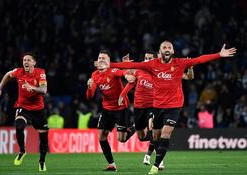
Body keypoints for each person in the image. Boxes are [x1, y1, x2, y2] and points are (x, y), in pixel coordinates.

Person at [99, 41, 236, 174]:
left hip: (172, 106)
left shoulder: (180, 63)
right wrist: (109, 65)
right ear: (160, 52)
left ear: (173, 51)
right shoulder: (152, 65)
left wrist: (219, 54)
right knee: (153, 136)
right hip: (157, 106)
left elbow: (199, 60)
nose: (166, 49)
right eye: (164, 47)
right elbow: (133, 64)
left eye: (169, 47)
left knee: (165, 133)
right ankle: (147, 145)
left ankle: (156, 165)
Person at [118, 51, 194, 168]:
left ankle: (159, 160)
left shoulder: (161, 71)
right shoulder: (139, 70)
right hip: (139, 107)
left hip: (153, 106)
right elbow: (128, 76)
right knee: (142, 137)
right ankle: (137, 129)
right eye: (145, 58)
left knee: (153, 129)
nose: (147, 60)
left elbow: (188, 77)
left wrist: (189, 68)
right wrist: (125, 64)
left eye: (149, 58)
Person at [0, 52, 49, 172]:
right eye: (24, 60)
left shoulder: (40, 72)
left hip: (38, 109)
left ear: (34, 62)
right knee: (19, 125)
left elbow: (44, 90)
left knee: (44, 138)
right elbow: (8, 75)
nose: (26, 62)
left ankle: (42, 161)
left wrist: (32, 88)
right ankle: (22, 150)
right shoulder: (19, 72)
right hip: (22, 106)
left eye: (28, 60)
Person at [86, 50, 136, 171]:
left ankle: (135, 127)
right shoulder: (95, 75)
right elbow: (90, 96)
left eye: (104, 58)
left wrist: (127, 75)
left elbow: (122, 74)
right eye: (100, 58)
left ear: (109, 61)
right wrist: (89, 88)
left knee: (122, 139)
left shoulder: (113, 71)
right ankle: (111, 164)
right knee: (102, 136)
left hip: (121, 108)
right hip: (107, 109)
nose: (101, 60)